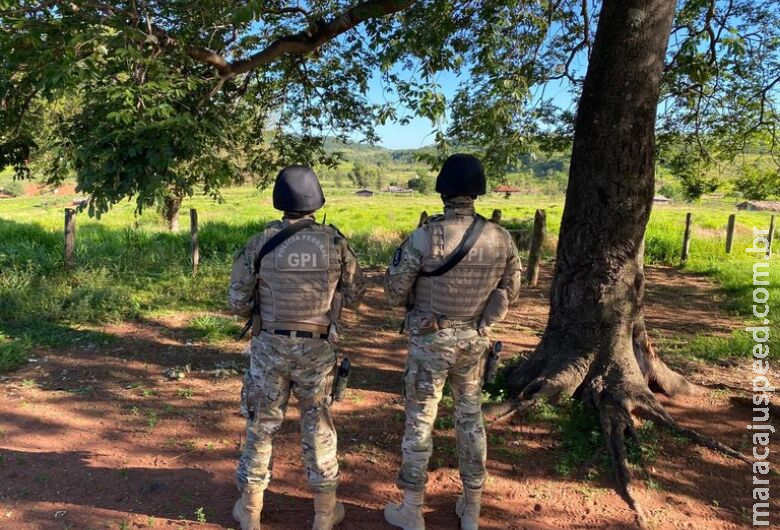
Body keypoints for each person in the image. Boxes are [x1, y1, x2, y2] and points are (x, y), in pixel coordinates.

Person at [383, 154, 522, 530]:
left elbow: (395, 293)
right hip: (475, 341)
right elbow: (510, 291)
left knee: (420, 421)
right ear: (478, 190)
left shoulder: (425, 236)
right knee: (471, 419)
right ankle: (471, 509)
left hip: (431, 341)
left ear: (442, 189)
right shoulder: (501, 238)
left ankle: (412, 509)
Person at [228, 165, 364, 530]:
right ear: (316, 200)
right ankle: (323, 514)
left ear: (279, 201)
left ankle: (251, 512)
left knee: (261, 425)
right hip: (317, 349)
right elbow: (354, 293)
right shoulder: (335, 243)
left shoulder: (259, 243)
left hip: (269, 347)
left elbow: (237, 300)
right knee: (318, 425)